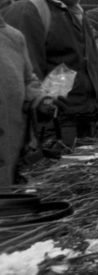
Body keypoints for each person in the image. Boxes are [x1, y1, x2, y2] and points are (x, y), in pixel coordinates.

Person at [6, 0, 98, 143]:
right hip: (58, 133)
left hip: (90, 127)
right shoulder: (28, 11)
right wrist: (48, 134)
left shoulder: (75, 12)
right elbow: (25, 81)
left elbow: (71, 68)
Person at [0, 13, 56, 187]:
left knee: (7, 196)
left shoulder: (12, 36)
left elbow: (27, 79)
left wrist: (40, 99)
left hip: (11, 138)